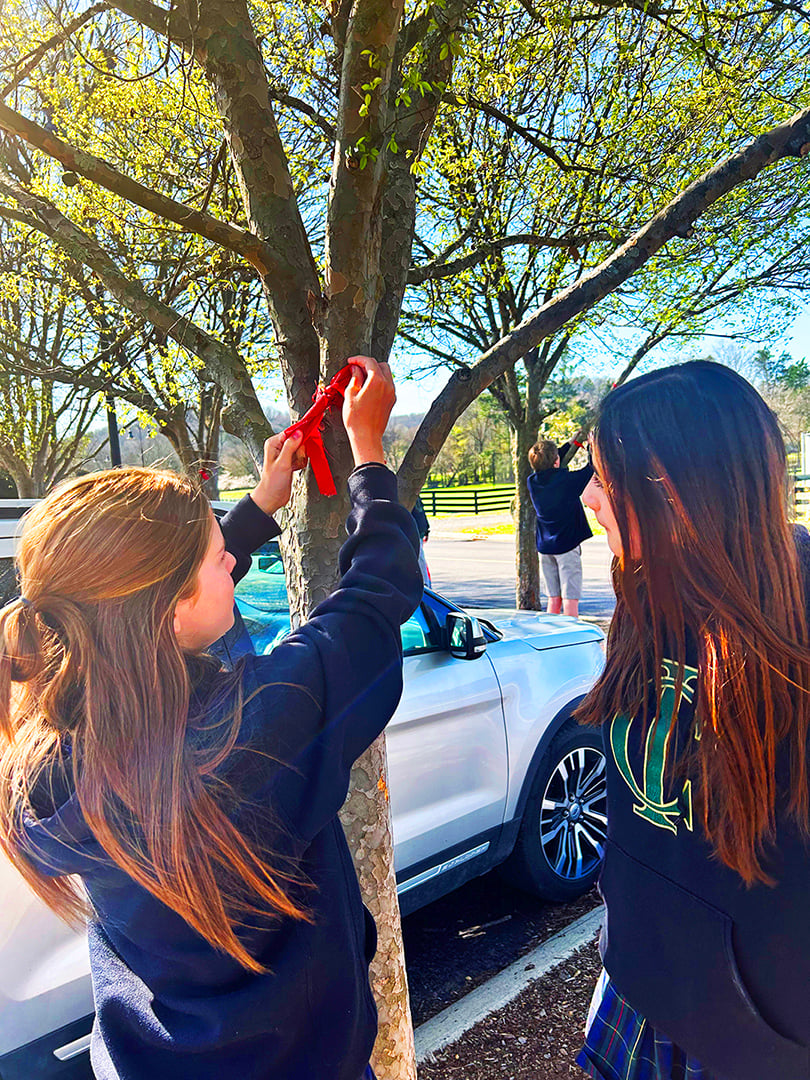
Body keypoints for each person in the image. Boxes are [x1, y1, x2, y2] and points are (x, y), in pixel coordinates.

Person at [0, 357, 422, 1080]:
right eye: (219, 555)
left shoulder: (50, 749)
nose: (232, 560)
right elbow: (377, 596)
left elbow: (171, 612)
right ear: (164, 611)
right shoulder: (261, 723)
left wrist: (260, 505)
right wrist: (370, 452)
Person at [575, 360, 810, 1080]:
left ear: (675, 489)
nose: (587, 498)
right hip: (638, 983)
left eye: (605, 479)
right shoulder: (644, 593)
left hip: (761, 1038)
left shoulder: (798, 615)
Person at [527, 436, 593, 616]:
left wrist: (573, 443)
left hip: (545, 548)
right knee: (570, 599)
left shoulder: (532, 482)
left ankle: (552, 630)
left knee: (554, 599)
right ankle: (571, 632)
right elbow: (590, 468)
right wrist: (591, 446)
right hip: (566, 547)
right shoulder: (567, 481)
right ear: (556, 462)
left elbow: (548, 463)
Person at [411, 494, 431, 586]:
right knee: (418, 558)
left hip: (418, 530)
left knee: (420, 558)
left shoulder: (415, 497)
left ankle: (425, 584)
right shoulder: (409, 497)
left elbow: (421, 513)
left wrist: (426, 529)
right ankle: (424, 583)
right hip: (414, 530)